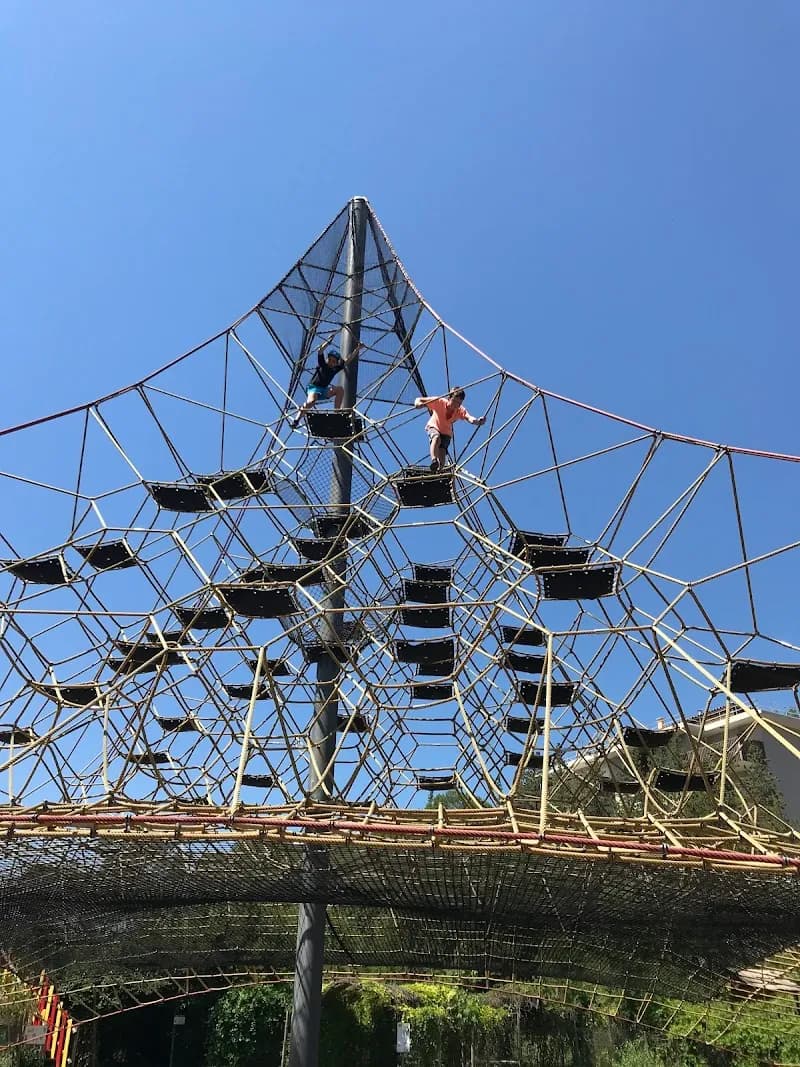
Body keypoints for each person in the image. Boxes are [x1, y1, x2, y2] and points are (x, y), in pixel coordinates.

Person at [290, 340, 363, 430]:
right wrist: (328, 342)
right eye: (330, 360)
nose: (331, 363)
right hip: (314, 388)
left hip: (324, 390)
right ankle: (296, 420)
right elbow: (320, 351)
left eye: (334, 361)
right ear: (327, 359)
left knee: (339, 389)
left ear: (336, 363)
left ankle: (337, 413)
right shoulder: (323, 364)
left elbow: (348, 360)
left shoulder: (335, 369)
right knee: (311, 402)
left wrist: (357, 349)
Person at [414, 388, 486, 472]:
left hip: (446, 432)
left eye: (459, 403)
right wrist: (418, 404)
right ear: (449, 398)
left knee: (442, 451)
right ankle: (434, 460)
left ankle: (439, 470)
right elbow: (419, 399)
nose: (456, 405)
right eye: (454, 401)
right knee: (436, 438)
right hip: (434, 426)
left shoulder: (460, 410)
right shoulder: (439, 402)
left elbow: (469, 418)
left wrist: (478, 421)